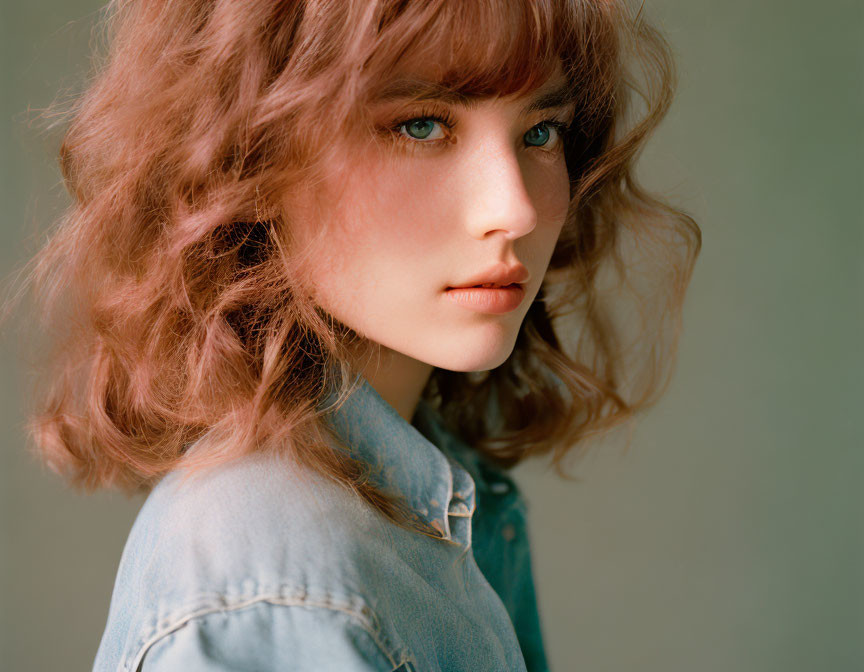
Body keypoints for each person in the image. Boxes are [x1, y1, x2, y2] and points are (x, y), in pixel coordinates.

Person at [9, 0, 701, 669]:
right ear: (246, 153)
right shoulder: (279, 592)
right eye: (423, 126)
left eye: (540, 131)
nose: (514, 208)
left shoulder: (431, 500)